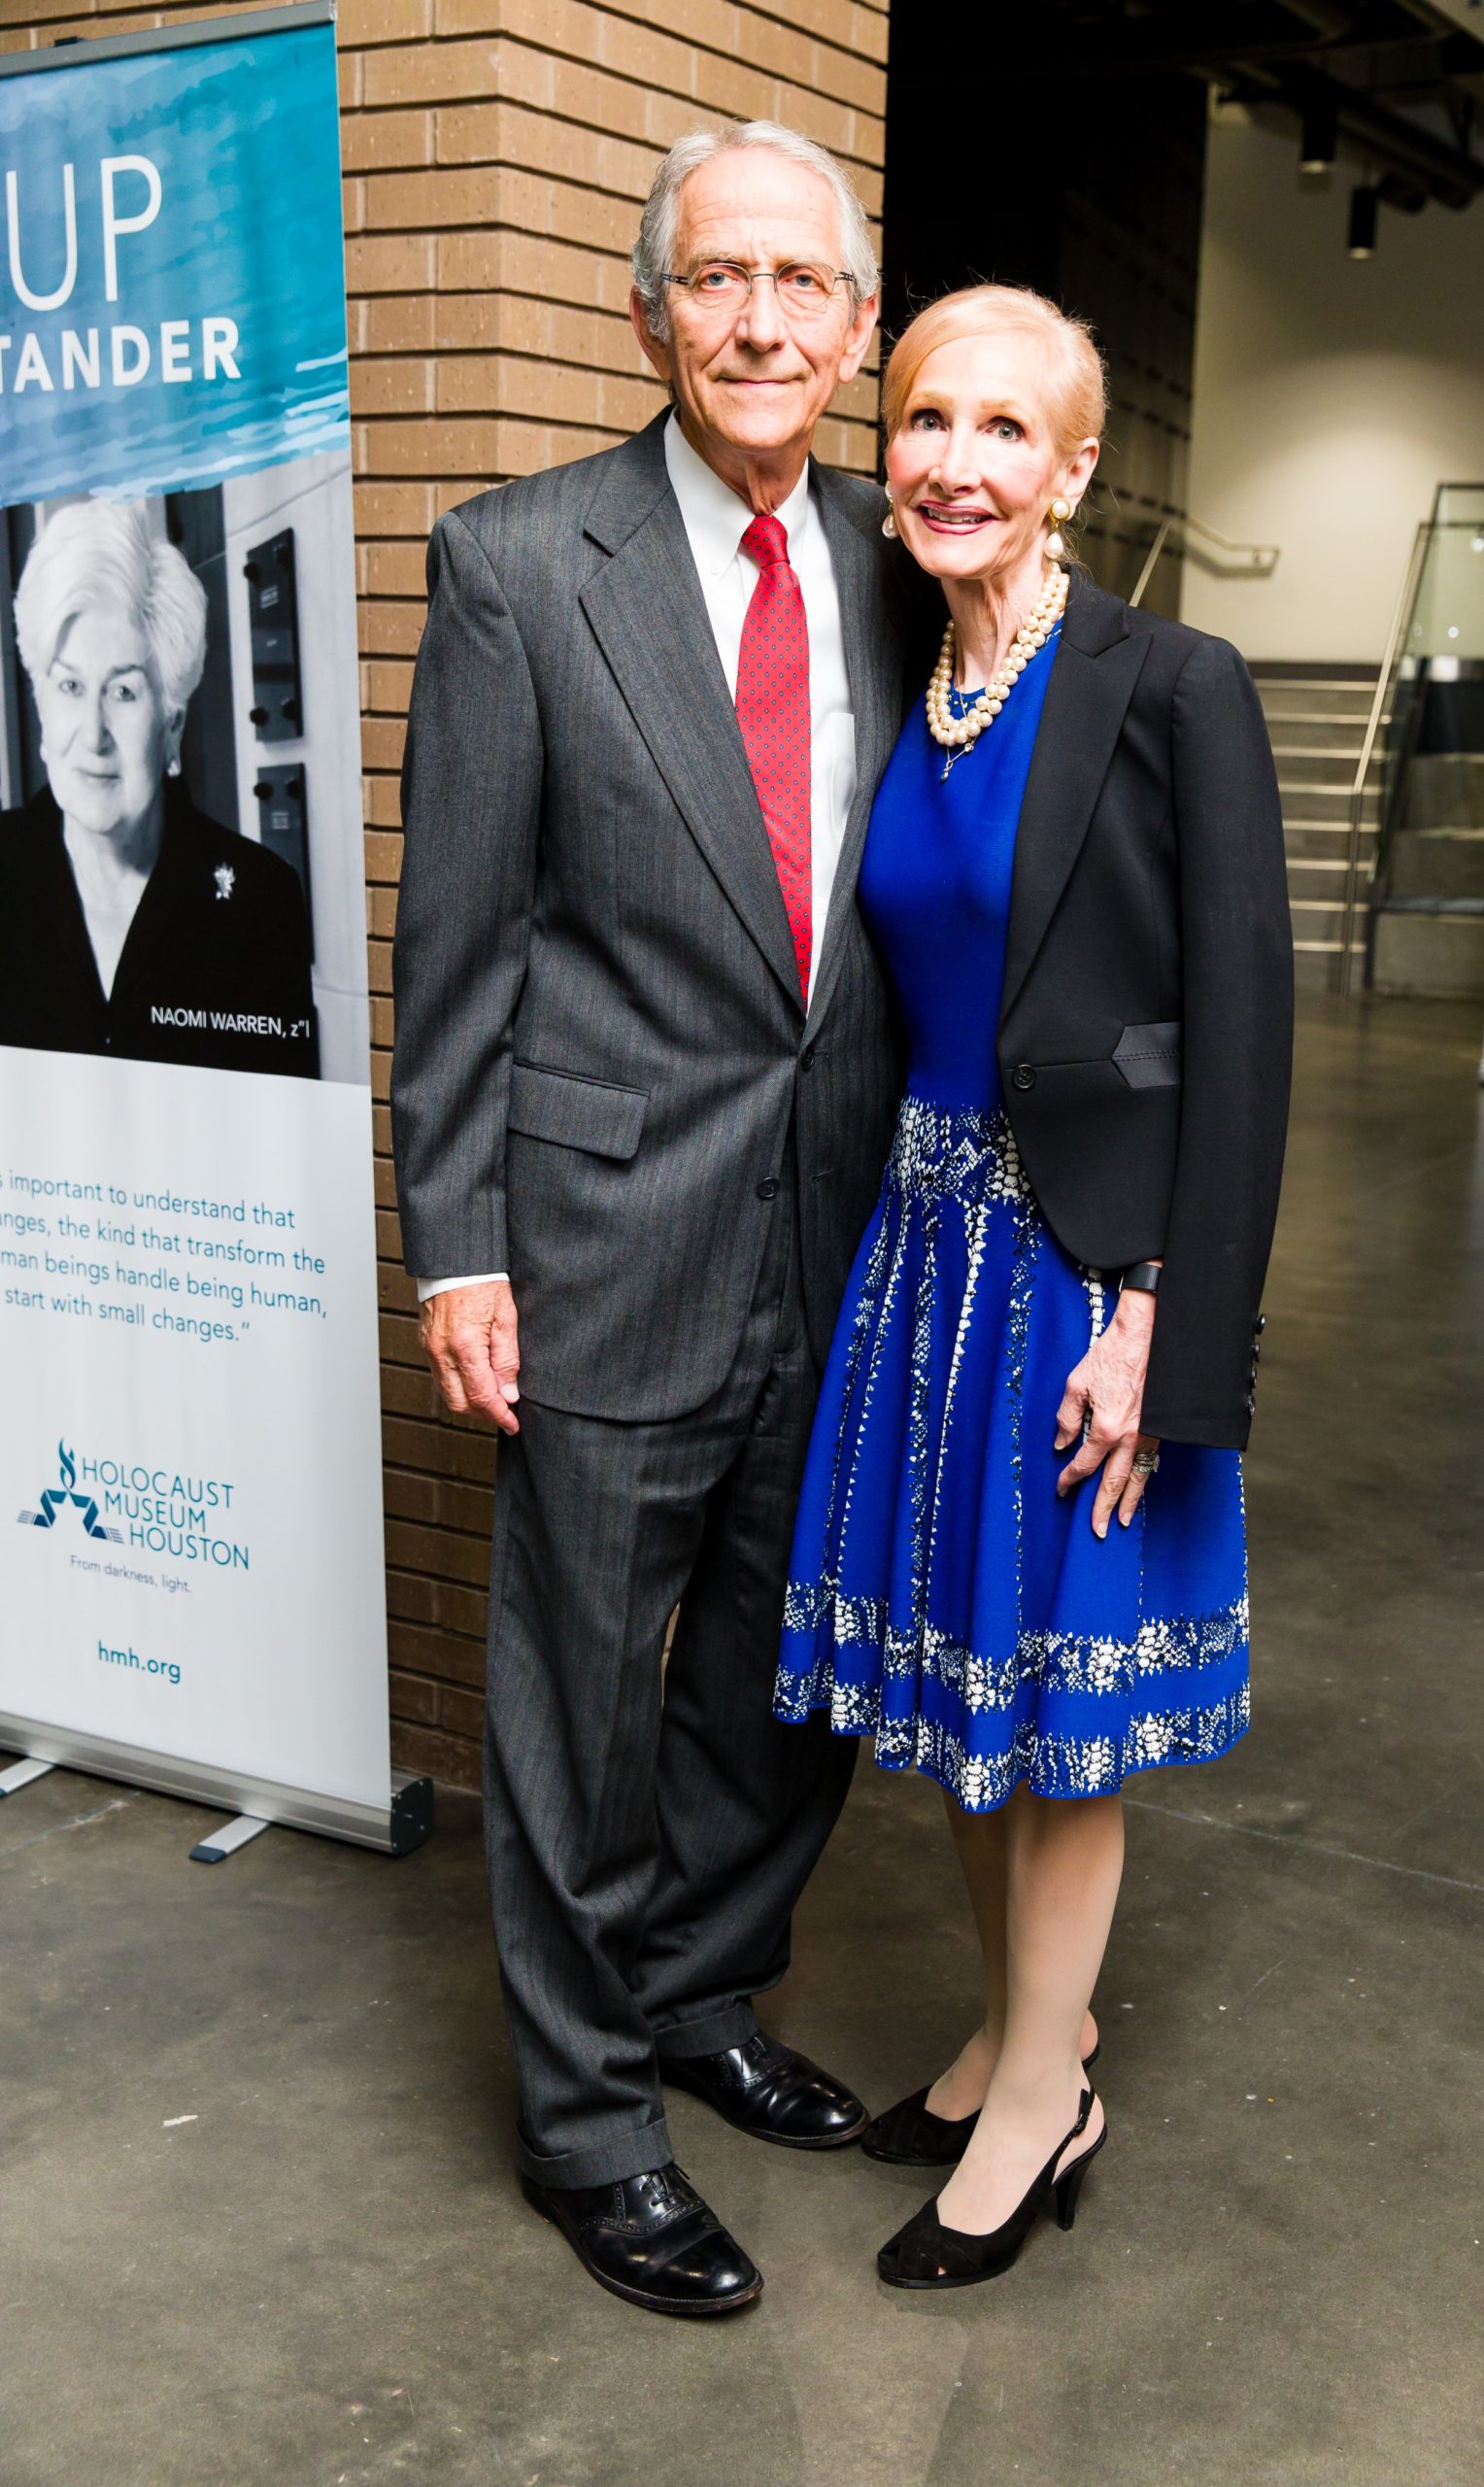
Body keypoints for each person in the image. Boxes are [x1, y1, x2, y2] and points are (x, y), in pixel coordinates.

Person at [391, 122, 918, 2319]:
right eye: (718, 280)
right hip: (605, 1228)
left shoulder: (913, 557)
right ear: (649, 310)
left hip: (850, 1223)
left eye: (804, 283)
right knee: (582, 1702)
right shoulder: (521, 564)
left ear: (859, 326)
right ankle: (590, 2112)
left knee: (793, 1679)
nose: (762, 321)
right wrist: (458, 1237)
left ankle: (702, 1984)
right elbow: (463, 937)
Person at [774, 286, 1295, 2289]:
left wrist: (1160, 1314)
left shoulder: (1173, 684)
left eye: (1007, 427)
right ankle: (1024, 2028)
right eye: (924, 418)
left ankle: (1033, 2106)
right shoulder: (910, 671)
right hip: (920, 1256)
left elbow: (1231, 1038)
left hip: (1085, 1269)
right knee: (958, 1686)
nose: (956, 459)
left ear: (1075, 467)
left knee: (1058, 1708)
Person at [0, 498, 319, 1077]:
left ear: (171, 721)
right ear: (39, 700)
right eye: (70, 686)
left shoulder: (258, 903)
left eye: (123, 692)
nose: (93, 735)